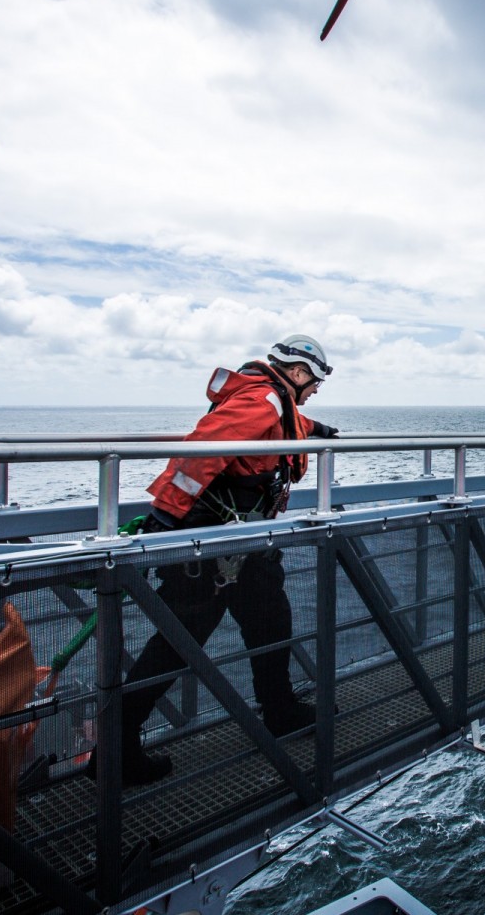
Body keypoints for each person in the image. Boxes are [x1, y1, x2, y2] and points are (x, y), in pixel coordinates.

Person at [102, 334, 340, 786]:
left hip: (239, 543)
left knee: (270, 619)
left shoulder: (270, 401)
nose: (314, 391)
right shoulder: (265, 398)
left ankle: (281, 709)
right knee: (179, 639)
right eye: (314, 383)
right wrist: (166, 516)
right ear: (297, 373)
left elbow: (276, 428)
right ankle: (115, 745)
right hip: (211, 545)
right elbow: (205, 449)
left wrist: (317, 430)